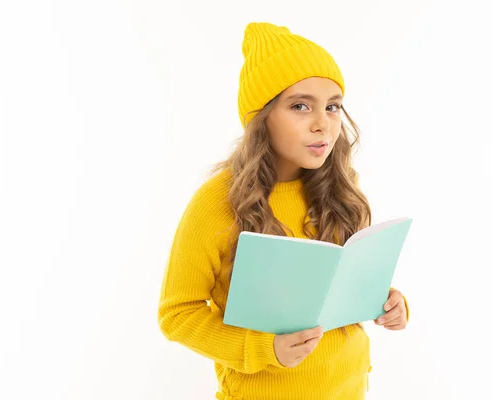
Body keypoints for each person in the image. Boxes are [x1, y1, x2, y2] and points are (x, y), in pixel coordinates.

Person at [157, 21, 410, 400]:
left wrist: (388, 300)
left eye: (333, 106)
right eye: (300, 106)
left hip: (349, 389)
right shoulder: (217, 201)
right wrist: (264, 350)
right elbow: (177, 314)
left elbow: (336, 288)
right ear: (262, 117)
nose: (322, 124)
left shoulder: (340, 189)